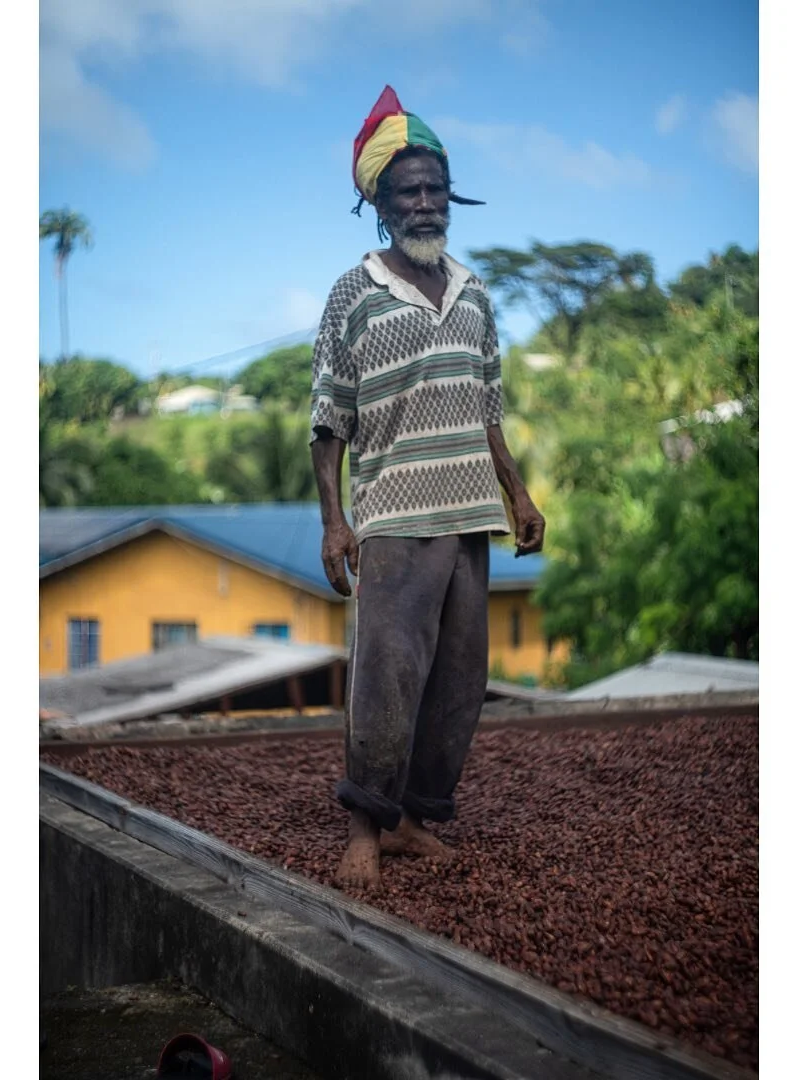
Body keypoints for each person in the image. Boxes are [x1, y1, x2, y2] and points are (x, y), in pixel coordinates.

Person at [310, 86, 545, 889]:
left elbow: (488, 406)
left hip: (470, 510)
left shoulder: (475, 292)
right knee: (387, 671)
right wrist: (334, 524)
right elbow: (327, 417)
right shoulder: (355, 292)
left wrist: (518, 495)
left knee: (457, 681)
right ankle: (363, 830)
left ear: (450, 195)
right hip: (392, 513)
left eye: (434, 187)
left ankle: (410, 819)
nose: (423, 202)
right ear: (379, 203)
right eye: (406, 189)